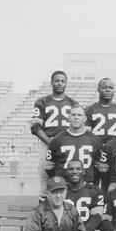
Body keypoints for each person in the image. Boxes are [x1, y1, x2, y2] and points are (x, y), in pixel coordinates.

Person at [30, 70, 77, 200]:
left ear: (66, 83)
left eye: (62, 81)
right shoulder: (42, 101)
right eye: (57, 81)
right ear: (51, 82)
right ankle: (43, 212)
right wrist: (51, 142)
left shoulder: (73, 103)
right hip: (48, 143)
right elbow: (35, 126)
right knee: (45, 178)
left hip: (68, 144)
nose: (60, 83)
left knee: (68, 176)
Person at [45, 105, 103, 185]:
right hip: (64, 185)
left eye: (79, 115)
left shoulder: (95, 140)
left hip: (87, 185)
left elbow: (98, 167)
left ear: (85, 118)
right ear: (68, 118)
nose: (76, 118)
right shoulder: (57, 139)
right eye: (73, 115)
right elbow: (49, 167)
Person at [85, 78, 116, 145]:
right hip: (96, 148)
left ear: (114, 90)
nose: (108, 90)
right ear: (98, 90)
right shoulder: (89, 110)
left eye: (111, 88)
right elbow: (86, 135)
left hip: (115, 148)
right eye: (104, 87)